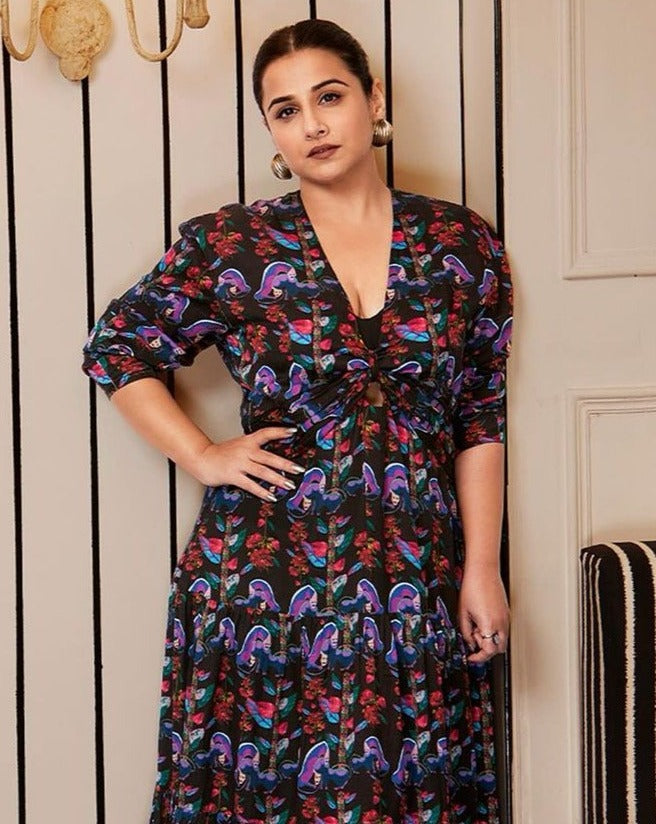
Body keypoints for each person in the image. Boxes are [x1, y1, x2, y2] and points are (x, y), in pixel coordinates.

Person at [81, 17, 513, 824]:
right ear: (271, 131)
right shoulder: (233, 245)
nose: (311, 124)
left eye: (329, 97)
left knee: (404, 787)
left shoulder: (462, 244)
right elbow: (117, 347)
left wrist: (481, 569)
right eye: (285, 110)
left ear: (373, 101)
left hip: (413, 570)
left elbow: (478, 417)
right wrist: (203, 454)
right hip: (264, 576)